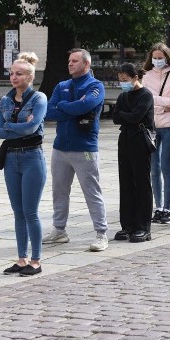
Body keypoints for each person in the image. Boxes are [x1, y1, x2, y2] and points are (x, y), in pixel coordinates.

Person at [42, 48, 109, 251]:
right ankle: (59, 230)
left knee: (91, 191)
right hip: (60, 148)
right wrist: (72, 107)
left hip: (84, 148)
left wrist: (65, 107)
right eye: (69, 60)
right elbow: (48, 111)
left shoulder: (95, 86)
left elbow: (87, 105)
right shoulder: (62, 85)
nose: (70, 64)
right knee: (59, 191)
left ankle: (101, 233)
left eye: (75, 61)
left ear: (86, 64)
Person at [0, 52, 48, 277]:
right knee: (18, 212)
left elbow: (32, 128)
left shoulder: (39, 99)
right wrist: (15, 125)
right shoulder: (6, 100)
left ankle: (35, 260)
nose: (13, 77)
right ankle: (21, 258)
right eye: (11, 73)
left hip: (32, 158)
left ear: (30, 77)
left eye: (19, 74)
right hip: (11, 158)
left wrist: (10, 126)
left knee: (30, 212)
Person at [141, 43, 170, 224]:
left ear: (167, 57)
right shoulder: (146, 75)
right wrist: (159, 101)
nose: (157, 60)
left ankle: (167, 208)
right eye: (155, 57)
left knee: (166, 166)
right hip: (151, 125)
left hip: (169, 125)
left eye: (160, 57)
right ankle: (157, 206)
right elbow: (143, 99)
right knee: (154, 168)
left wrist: (154, 99)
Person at [112, 63, 155, 243]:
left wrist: (125, 115)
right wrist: (126, 115)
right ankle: (127, 224)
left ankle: (143, 226)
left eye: (126, 80)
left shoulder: (145, 95)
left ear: (135, 78)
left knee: (142, 183)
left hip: (140, 139)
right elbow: (115, 117)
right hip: (126, 139)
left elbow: (137, 116)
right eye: (120, 80)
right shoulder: (123, 96)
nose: (123, 83)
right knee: (126, 181)